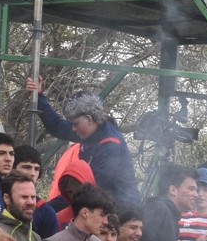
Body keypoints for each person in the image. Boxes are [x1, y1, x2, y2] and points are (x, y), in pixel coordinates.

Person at [29, 79, 140, 210]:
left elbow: (89, 189)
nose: (73, 129)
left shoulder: (110, 144)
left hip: (121, 211)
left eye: (75, 124)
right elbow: (56, 126)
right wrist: (39, 95)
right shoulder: (90, 131)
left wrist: (45, 209)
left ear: (89, 119)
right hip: (100, 204)